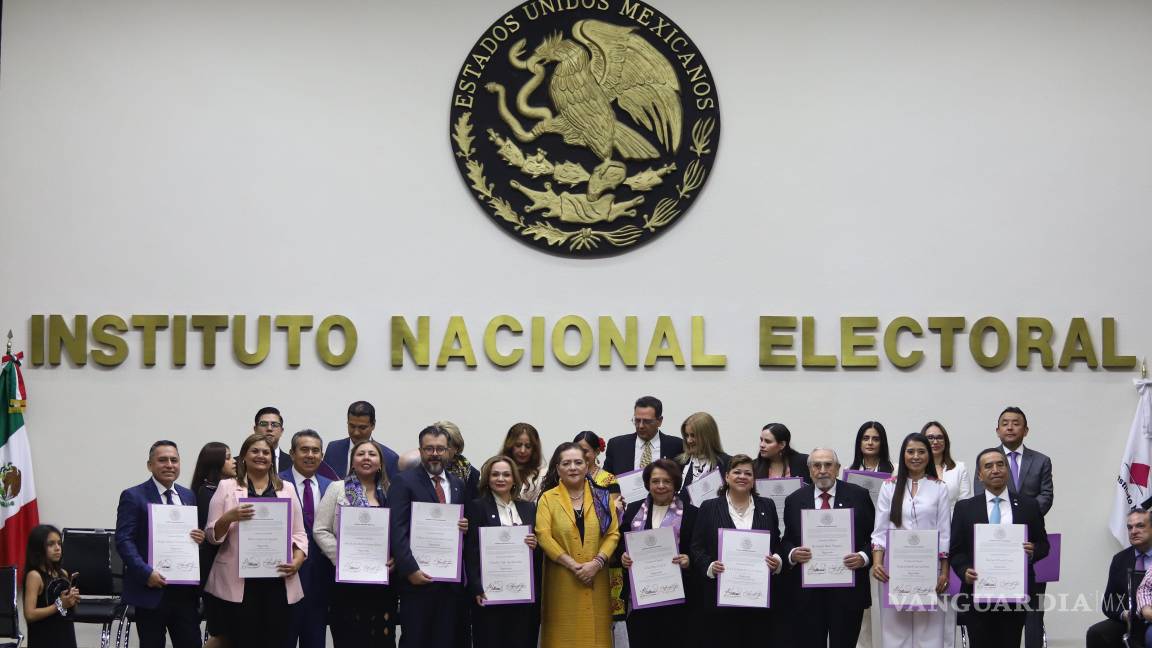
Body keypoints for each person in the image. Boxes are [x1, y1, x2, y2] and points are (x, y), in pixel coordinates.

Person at [205, 433, 308, 648]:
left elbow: (299, 534)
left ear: (272, 458)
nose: (260, 456)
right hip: (239, 583)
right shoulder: (226, 487)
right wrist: (229, 517)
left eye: (266, 452)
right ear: (243, 456)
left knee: (276, 640)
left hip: (278, 580)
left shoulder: (286, 488)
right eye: (255, 451)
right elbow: (211, 535)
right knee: (242, 641)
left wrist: (297, 560)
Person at [950, 447, 1049, 648]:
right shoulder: (965, 508)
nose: (995, 470)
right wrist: (963, 570)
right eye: (988, 466)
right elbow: (956, 551)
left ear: (1007, 470)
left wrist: (1033, 551)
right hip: (976, 595)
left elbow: (1044, 545)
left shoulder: (1028, 505)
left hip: (1014, 595)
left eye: (1000, 464)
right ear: (979, 475)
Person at [972, 406, 1053, 648]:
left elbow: (1046, 497)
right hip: (990, 550)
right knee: (990, 622)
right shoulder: (987, 459)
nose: (1010, 427)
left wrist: (1018, 518)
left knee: (1031, 612)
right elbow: (980, 499)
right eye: (1004, 423)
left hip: (1026, 545)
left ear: (1025, 430)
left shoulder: (1041, 461)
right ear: (997, 430)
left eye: (1016, 423)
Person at [114, 440, 205, 648]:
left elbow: (190, 539)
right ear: (150, 465)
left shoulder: (188, 495)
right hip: (151, 589)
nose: (169, 465)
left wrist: (197, 538)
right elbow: (123, 540)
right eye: (162, 460)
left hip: (184, 592)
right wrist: (145, 573)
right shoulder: (133, 496)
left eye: (174, 460)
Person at [781, 448, 875, 648]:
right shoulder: (794, 500)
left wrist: (863, 557)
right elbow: (787, 539)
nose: (822, 470)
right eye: (817, 465)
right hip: (808, 594)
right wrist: (791, 554)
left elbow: (875, 538)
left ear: (838, 468)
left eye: (828, 465)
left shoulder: (859, 496)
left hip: (848, 591)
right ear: (809, 470)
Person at [389, 424, 469, 648]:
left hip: (449, 584)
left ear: (449, 451)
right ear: (421, 450)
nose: (435, 454)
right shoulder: (404, 481)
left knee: (445, 641)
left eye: (440, 449)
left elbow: (463, 526)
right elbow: (397, 529)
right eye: (429, 448)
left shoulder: (458, 485)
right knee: (415, 640)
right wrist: (410, 570)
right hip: (417, 581)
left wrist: (465, 526)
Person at [690, 453, 784, 643]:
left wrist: (778, 560)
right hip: (720, 597)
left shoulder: (767, 505)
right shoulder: (709, 507)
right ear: (726, 477)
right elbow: (696, 546)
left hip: (758, 597)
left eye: (748, 473)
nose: (742, 477)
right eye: (737, 472)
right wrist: (709, 566)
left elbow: (776, 542)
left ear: (754, 479)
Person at [537, 442, 621, 648]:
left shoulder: (602, 496)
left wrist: (596, 563)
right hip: (562, 579)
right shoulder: (548, 498)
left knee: (596, 639)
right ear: (558, 469)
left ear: (587, 465)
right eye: (566, 463)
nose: (573, 467)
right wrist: (573, 566)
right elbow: (543, 536)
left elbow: (613, 534)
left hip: (596, 577)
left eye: (578, 462)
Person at [870, 433, 951, 648]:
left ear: (929, 455)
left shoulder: (939, 487)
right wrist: (877, 562)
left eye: (921, 451)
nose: (916, 456)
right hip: (894, 569)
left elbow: (944, 532)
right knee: (895, 632)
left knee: (930, 632)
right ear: (903, 455)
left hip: (929, 568)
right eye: (910, 451)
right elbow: (880, 530)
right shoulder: (889, 486)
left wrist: (944, 571)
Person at [314, 439, 397, 647]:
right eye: (361, 454)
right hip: (347, 581)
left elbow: (399, 532)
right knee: (350, 636)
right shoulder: (337, 488)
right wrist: (341, 558)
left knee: (381, 638)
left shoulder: (391, 492)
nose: (366, 458)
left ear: (380, 463)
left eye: (372, 454)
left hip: (382, 581)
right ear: (352, 462)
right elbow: (320, 529)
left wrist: (396, 558)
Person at [617, 458, 697, 648]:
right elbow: (620, 541)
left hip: (678, 599)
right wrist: (623, 555)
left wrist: (689, 559)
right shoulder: (633, 510)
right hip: (641, 597)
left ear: (676, 484)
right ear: (647, 484)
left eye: (667, 481)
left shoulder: (692, 513)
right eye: (655, 481)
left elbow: (699, 548)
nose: (661, 486)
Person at [464, 455, 540, 648]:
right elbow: (470, 552)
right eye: (495, 474)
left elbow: (538, 552)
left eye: (506, 474)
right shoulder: (476, 507)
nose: (501, 479)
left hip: (522, 595)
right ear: (487, 479)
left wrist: (535, 544)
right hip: (490, 594)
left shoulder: (528, 508)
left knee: (521, 640)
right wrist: (476, 588)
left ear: (514, 479)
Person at [279, 429, 335, 648]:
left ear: (321, 455)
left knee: (315, 640)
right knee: (284, 639)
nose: (310, 455)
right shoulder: (277, 483)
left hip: (321, 577)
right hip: (286, 575)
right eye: (304, 450)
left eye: (315, 450)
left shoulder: (331, 486)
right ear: (292, 453)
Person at [922, 421, 969, 648]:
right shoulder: (913, 471)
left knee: (949, 602)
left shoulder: (958, 468)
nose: (935, 441)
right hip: (922, 543)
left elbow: (965, 506)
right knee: (924, 600)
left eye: (939, 437)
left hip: (952, 539)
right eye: (929, 437)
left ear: (946, 441)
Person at [188, 441, 235, 648]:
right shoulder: (208, 492)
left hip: (224, 570)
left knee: (228, 634)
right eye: (227, 457)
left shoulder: (214, 489)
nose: (234, 461)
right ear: (215, 462)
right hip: (214, 570)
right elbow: (213, 533)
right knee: (222, 633)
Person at [1087, 508, 1152, 648]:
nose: (1133, 531)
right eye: (1130, 527)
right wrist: (1124, 614)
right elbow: (1109, 602)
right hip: (1130, 622)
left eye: (1140, 526)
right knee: (1096, 633)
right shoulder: (1120, 560)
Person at [23, 524, 79, 648]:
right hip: (45, 638)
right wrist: (59, 604)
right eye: (51, 544)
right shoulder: (34, 576)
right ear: (38, 548)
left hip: (65, 636)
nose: (57, 548)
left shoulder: (63, 573)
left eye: (59, 543)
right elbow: (30, 614)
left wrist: (72, 600)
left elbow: (67, 611)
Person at [602, 396, 684, 475]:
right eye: (637, 420)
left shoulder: (676, 446)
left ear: (659, 421)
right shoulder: (617, 445)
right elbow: (606, 481)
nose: (641, 426)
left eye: (647, 421)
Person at [325, 400, 401, 480]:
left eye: (362, 428)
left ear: (373, 425)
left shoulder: (389, 458)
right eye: (352, 426)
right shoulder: (333, 449)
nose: (356, 433)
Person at [677, 412, 730, 504]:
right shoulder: (679, 463)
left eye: (693, 435)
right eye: (687, 435)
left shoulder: (727, 463)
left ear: (707, 436)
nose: (689, 440)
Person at [501, 422, 544, 501]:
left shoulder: (541, 476)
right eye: (518, 445)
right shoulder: (495, 470)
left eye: (528, 446)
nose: (522, 450)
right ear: (510, 446)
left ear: (534, 449)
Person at [439, 419, 481, 502]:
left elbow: (473, 506)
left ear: (456, 448)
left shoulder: (469, 472)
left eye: (445, 446)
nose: (438, 451)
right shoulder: (416, 467)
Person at [254, 406, 293, 473]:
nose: (269, 428)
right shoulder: (238, 463)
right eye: (263, 424)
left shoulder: (294, 463)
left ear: (281, 431)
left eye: (274, 425)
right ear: (255, 429)